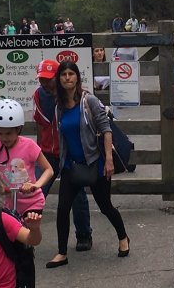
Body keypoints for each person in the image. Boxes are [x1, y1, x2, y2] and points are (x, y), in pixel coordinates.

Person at [44, 59, 130, 268]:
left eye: (71, 74)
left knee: (105, 206)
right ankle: (62, 253)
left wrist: (108, 160)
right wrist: (61, 163)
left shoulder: (88, 101)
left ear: (77, 77)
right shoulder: (59, 106)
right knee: (63, 208)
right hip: (71, 166)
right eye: (63, 75)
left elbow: (106, 129)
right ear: (59, 79)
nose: (67, 78)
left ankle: (123, 237)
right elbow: (62, 136)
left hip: (95, 163)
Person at [0, 98, 54, 288]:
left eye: (9, 133)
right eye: (0, 133)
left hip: (31, 203)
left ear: (19, 130)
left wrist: (35, 185)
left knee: (25, 248)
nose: (4, 138)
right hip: (9, 203)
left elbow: (49, 170)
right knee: (9, 249)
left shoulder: (29, 146)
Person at [32, 59, 92, 250]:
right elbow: (39, 123)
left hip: (69, 154)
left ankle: (84, 234)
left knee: (77, 196)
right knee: (35, 192)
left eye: (49, 79)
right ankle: (26, 235)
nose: (45, 83)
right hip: (47, 154)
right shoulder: (38, 95)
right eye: (42, 79)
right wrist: (37, 150)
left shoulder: (72, 95)